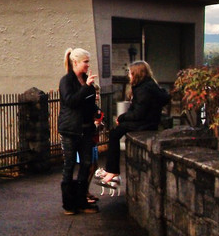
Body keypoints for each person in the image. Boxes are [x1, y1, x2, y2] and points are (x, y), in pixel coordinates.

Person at [95, 60, 171, 187]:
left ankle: (112, 171)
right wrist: (123, 118)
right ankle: (111, 171)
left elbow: (138, 113)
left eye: (130, 73)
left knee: (114, 135)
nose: (129, 76)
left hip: (144, 123)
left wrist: (122, 117)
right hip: (149, 121)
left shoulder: (143, 90)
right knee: (115, 132)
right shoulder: (149, 85)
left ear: (137, 74)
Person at [58, 47, 100, 215]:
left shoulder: (86, 80)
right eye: (85, 62)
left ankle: (82, 202)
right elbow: (70, 102)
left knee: (86, 164)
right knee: (69, 165)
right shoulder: (66, 81)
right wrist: (86, 88)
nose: (88, 65)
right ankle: (69, 205)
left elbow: (88, 103)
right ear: (75, 62)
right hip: (70, 130)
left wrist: (96, 112)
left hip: (86, 129)